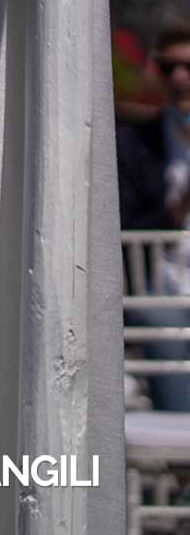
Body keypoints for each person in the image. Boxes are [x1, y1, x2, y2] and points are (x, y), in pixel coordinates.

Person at [118, 23, 190, 411]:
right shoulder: (134, 144)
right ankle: (184, 458)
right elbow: (123, 226)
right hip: (164, 286)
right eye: (168, 68)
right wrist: (174, 211)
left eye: (188, 68)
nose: (179, 78)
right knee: (163, 321)